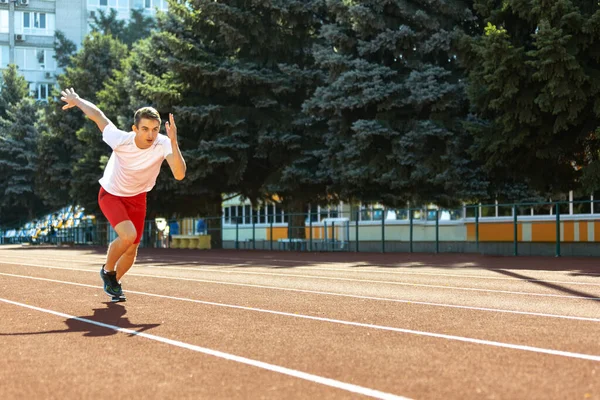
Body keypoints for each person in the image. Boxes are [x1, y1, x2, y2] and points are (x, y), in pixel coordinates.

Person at [61, 87, 186, 301]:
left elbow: (179, 174)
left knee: (132, 248)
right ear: (134, 129)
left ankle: (114, 282)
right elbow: (99, 117)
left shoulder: (163, 143)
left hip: (138, 197)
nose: (150, 134)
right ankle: (108, 270)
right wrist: (78, 100)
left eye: (155, 129)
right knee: (127, 236)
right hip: (111, 194)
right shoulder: (120, 139)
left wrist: (174, 143)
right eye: (145, 129)